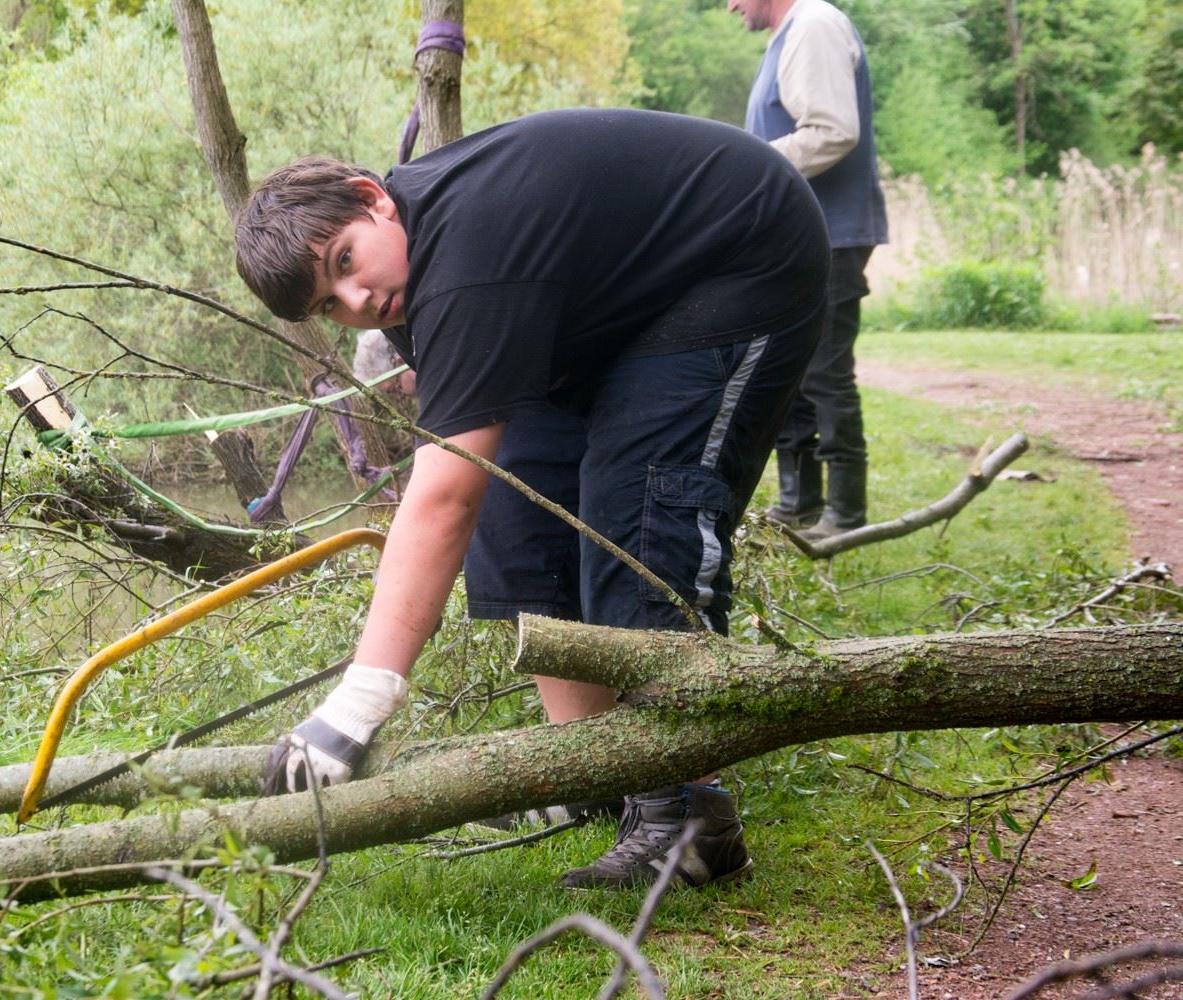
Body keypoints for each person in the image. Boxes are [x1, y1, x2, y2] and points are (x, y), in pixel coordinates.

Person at [235, 108, 828, 890]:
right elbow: (475, 483)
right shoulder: (413, 272)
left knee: (639, 516)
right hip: (621, 310)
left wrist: (358, 702)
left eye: (346, 260)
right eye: (329, 304)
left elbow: (442, 499)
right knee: (515, 514)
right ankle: (590, 770)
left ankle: (690, 819)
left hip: (741, 257)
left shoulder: (465, 253)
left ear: (373, 198)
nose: (357, 298)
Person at [729, 0, 888, 539]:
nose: (729, 5)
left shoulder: (813, 24)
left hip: (831, 234)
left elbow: (833, 130)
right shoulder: (789, 34)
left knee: (823, 370)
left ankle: (845, 512)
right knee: (787, 369)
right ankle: (798, 503)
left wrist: (748, 168)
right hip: (799, 237)